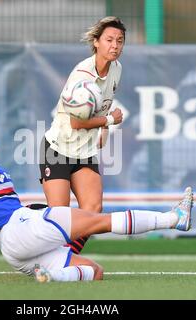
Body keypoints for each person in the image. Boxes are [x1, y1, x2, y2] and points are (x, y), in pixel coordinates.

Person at [0, 112, 194, 282]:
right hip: (21, 228)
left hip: (14, 251)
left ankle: (49, 276)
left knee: (95, 272)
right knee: (97, 221)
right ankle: (174, 219)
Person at [40, 17, 126, 254]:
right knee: (60, 219)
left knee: (92, 209)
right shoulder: (82, 75)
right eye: (109, 40)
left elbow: (103, 105)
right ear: (96, 42)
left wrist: (104, 129)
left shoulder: (116, 69)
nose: (115, 46)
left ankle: (65, 259)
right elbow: (76, 122)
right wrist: (110, 120)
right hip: (57, 149)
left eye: (120, 41)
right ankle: (29, 232)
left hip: (84, 152)